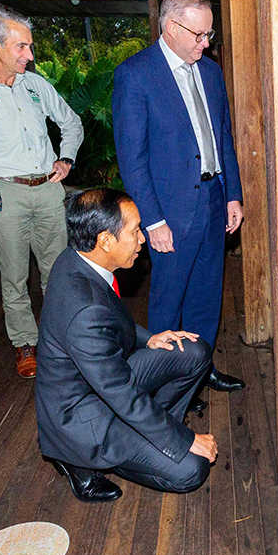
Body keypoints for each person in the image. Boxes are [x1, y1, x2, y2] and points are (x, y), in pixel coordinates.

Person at [35, 189, 217, 502]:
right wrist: (183, 440)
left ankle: (153, 433)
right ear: (105, 240)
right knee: (192, 467)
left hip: (100, 384)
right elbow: (122, 394)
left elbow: (107, 323)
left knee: (194, 352)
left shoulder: (77, 259)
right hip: (85, 415)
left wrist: (151, 338)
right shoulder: (84, 307)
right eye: (134, 231)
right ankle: (78, 462)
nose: (143, 239)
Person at [113, 0, 245, 409]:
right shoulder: (135, 74)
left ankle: (200, 370)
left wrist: (232, 195)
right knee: (168, 304)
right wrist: (151, 221)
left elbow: (223, 136)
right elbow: (133, 159)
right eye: (199, 35)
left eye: (209, 35)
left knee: (207, 296)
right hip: (169, 212)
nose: (206, 44)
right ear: (171, 27)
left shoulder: (209, 71)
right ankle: (167, 387)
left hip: (212, 197)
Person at [0, 7, 83, 379]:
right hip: (3, 196)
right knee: (14, 276)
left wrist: (65, 160)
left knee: (58, 273)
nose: (30, 55)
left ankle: (61, 342)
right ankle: (25, 344)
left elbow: (71, 123)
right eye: (21, 46)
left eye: (30, 46)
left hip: (48, 192)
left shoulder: (36, 86)